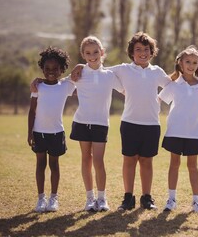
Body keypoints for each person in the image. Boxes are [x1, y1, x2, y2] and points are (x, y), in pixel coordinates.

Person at [71, 32, 171, 211]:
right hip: (129, 123)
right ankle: (128, 198)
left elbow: (173, 85)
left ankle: (146, 198)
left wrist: (194, 78)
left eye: (146, 49)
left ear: (152, 52)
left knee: (147, 161)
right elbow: (98, 68)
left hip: (152, 124)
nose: (142, 53)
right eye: (138, 49)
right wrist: (80, 65)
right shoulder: (122, 69)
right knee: (129, 160)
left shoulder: (157, 72)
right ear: (132, 52)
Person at [159, 46, 198, 213]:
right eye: (188, 61)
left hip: (194, 132)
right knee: (174, 164)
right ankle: (171, 199)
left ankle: (196, 201)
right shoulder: (174, 85)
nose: (191, 65)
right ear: (180, 63)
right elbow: (158, 100)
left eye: (195, 62)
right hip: (174, 131)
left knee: (193, 166)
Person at [69, 36, 123, 212]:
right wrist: (39, 82)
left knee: (98, 161)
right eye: (88, 53)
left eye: (95, 52)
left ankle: (102, 198)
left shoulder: (109, 75)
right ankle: (90, 198)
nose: (92, 56)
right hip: (81, 122)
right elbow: (59, 84)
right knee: (86, 159)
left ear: (102, 53)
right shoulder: (78, 74)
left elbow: (127, 89)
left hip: (101, 124)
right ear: (83, 55)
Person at [28, 46, 75, 212]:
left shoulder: (65, 86)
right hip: (39, 133)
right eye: (47, 69)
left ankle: (53, 198)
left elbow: (79, 74)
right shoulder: (37, 87)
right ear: (42, 69)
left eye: (56, 69)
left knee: (54, 165)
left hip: (56, 133)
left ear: (62, 69)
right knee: (40, 164)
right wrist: (30, 132)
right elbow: (32, 111)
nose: (51, 72)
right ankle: (41, 198)